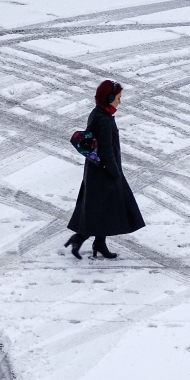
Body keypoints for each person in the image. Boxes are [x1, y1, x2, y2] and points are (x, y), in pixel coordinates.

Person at [65, 80, 145, 259]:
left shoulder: (98, 113)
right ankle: (80, 238)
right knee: (103, 208)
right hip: (104, 171)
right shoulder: (104, 120)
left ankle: (98, 243)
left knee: (103, 208)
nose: (119, 102)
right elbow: (107, 151)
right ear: (109, 98)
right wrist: (115, 172)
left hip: (96, 170)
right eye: (118, 98)